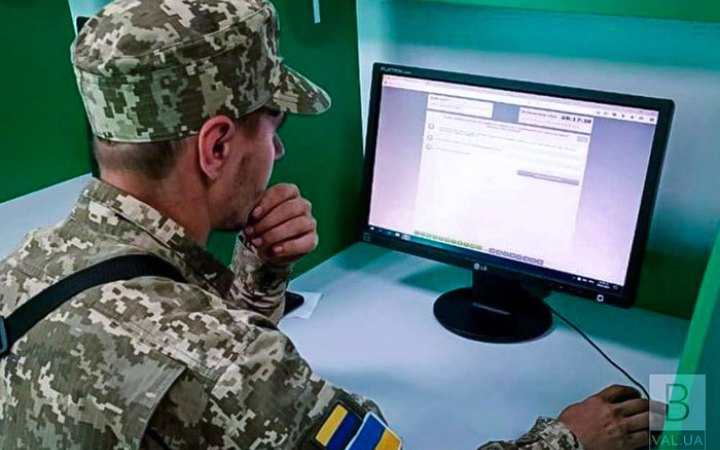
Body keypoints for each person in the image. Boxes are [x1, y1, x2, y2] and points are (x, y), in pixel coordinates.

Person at [0, 0, 653, 448]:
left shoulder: (28, 266)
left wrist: (262, 269)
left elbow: (186, 356)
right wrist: (568, 438)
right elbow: (219, 372)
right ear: (217, 146)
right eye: (272, 126)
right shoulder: (238, 371)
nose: (279, 150)